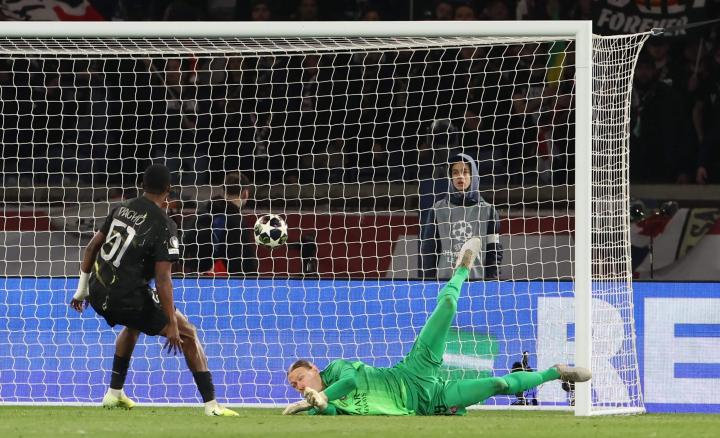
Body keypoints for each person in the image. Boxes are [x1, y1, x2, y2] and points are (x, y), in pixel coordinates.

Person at [283, 238, 591, 416]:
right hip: (432, 401)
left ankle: (462, 269)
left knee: (447, 307)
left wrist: (323, 396)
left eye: (300, 378)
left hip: (411, 372)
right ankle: (556, 372)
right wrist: (317, 405)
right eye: (294, 385)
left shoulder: (337, 370)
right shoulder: (319, 401)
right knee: (499, 384)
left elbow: (350, 382)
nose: (298, 385)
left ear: (313, 368)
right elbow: (330, 412)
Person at [69, 164, 238, 417]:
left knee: (134, 324)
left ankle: (114, 394)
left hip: (97, 292)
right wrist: (172, 323)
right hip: (127, 298)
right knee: (188, 334)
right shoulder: (164, 224)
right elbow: (163, 279)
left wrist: (81, 291)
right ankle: (212, 406)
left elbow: (91, 247)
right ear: (168, 189)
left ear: (142, 185)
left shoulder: (121, 208)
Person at [420, 153, 503, 280]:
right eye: (455, 172)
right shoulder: (437, 209)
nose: (460, 176)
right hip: (444, 282)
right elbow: (428, 251)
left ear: (473, 175)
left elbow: (494, 252)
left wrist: (492, 282)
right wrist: (429, 283)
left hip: (477, 284)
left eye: (465, 172)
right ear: (450, 177)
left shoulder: (489, 211)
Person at [182, 171, 258, 275]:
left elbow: (184, 244)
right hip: (225, 282)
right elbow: (247, 267)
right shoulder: (237, 223)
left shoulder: (201, 214)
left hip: (196, 279)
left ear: (224, 191)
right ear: (245, 194)